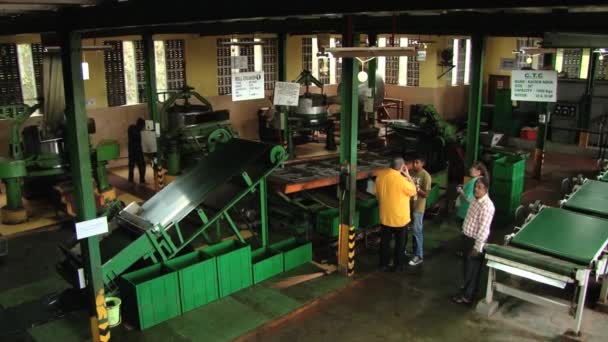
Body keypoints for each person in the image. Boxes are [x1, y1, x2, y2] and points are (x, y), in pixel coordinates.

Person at [452, 176, 495, 305]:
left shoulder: (487, 207)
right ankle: (469, 291)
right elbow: (468, 201)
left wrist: (477, 248)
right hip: (467, 237)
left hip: (474, 242)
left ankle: (467, 296)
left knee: (472, 269)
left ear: (486, 190)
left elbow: (483, 230)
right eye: (476, 187)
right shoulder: (475, 200)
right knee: (468, 268)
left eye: (479, 188)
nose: (476, 189)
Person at [375, 157, 417, 272]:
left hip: (385, 217)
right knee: (400, 244)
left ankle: (383, 264)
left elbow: (377, 195)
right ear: (402, 167)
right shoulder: (402, 181)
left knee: (385, 242)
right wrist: (408, 175)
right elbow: (414, 191)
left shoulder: (380, 177)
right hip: (400, 219)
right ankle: (398, 266)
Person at [407, 154, 432, 266]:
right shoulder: (411, 173)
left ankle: (419, 255)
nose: (414, 165)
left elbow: (426, 194)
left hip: (418, 208)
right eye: (414, 162)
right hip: (409, 206)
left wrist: (415, 188)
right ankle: (414, 251)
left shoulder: (426, 176)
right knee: (412, 230)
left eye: (417, 162)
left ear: (423, 163)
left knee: (417, 231)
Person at [128, 118, 146, 184]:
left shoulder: (131, 128)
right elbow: (138, 137)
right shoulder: (137, 131)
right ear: (141, 125)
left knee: (131, 166)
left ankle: (130, 180)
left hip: (131, 150)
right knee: (142, 166)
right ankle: (142, 181)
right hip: (137, 151)